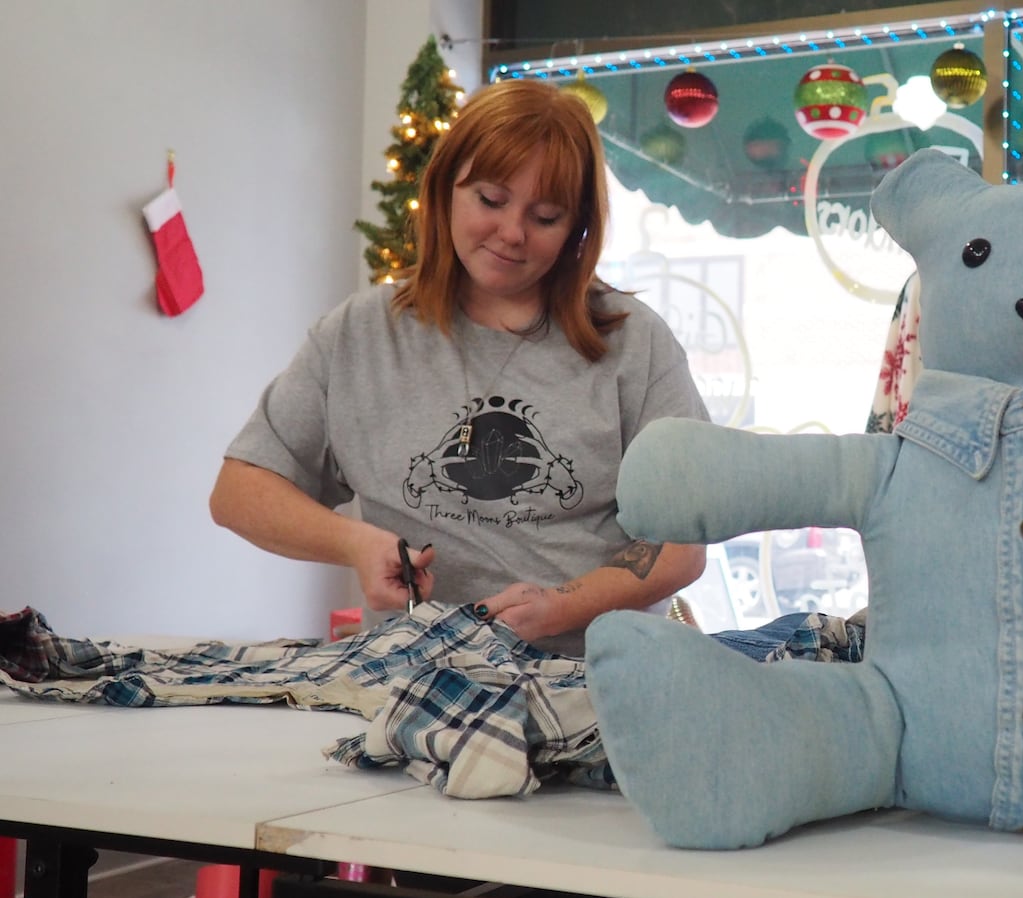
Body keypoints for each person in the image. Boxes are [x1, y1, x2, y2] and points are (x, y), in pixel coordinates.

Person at [210, 78, 709, 658]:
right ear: (445, 188)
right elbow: (238, 492)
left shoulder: (635, 343)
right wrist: (356, 544)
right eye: (490, 201)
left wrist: (562, 606)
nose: (512, 233)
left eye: (545, 216)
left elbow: (683, 546)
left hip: (590, 671)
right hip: (412, 672)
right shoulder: (359, 334)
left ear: (577, 227)